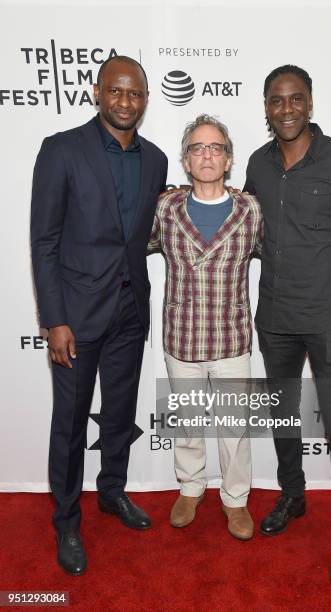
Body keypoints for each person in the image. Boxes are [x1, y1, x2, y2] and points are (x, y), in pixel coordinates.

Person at [244, 65, 331, 585]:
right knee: (283, 420)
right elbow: (243, 228)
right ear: (266, 106)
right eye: (277, 101)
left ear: (310, 103)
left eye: (295, 99)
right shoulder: (258, 165)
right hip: (275, 318)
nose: (287, 110)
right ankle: (292, 496)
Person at [30, 55, 167, 575]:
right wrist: (54, 319)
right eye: (116, 91)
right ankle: (66, 518)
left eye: (134, 94)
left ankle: (112, 491)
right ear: (97, 92)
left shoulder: (155, 160)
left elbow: (140, 234)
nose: (125, 102)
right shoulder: (62, 150)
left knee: (117, 414)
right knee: (68, 423)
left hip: (131, 313)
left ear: (145, 99)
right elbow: (43, 242)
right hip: (77, 317)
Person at [149, 114, 262, 540]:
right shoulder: (166, 207)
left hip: (232, 338)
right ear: (186, 160)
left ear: (228, 159)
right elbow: (130, 244)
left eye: (215, 147)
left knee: (235, 426)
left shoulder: (250, 209)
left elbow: (275, 256)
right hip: (183, 336)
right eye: (198, 148)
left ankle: (235, 500)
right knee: (189, 420)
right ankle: (191, 488)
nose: (207, 154)